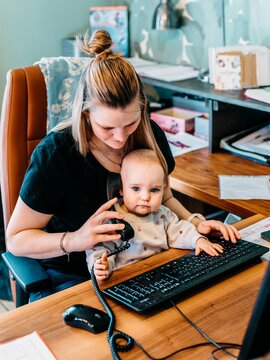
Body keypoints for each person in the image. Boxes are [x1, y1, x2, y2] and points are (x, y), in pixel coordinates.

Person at [6, 30, 239, 302]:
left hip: (145, 263)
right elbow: (16, 240)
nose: (120, 138)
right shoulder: (56, 154)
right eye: (107, 127)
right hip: (75, 275)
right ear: (85, 114)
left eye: (130, 123)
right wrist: (75, 239)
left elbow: (164, 197)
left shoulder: (149, 134)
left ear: (142, 109)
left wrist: (194, 222)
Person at [88, 149, 233, 281]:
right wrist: (100, 266)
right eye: (136, 188)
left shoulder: (162, 213)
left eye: (154, 190)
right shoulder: (113, 220)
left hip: (163, 273)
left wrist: (197, 240)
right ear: (121, 189)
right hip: (128, 281)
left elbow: (179, 229)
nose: (145, 197)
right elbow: (99, 248)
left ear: (163, 190)